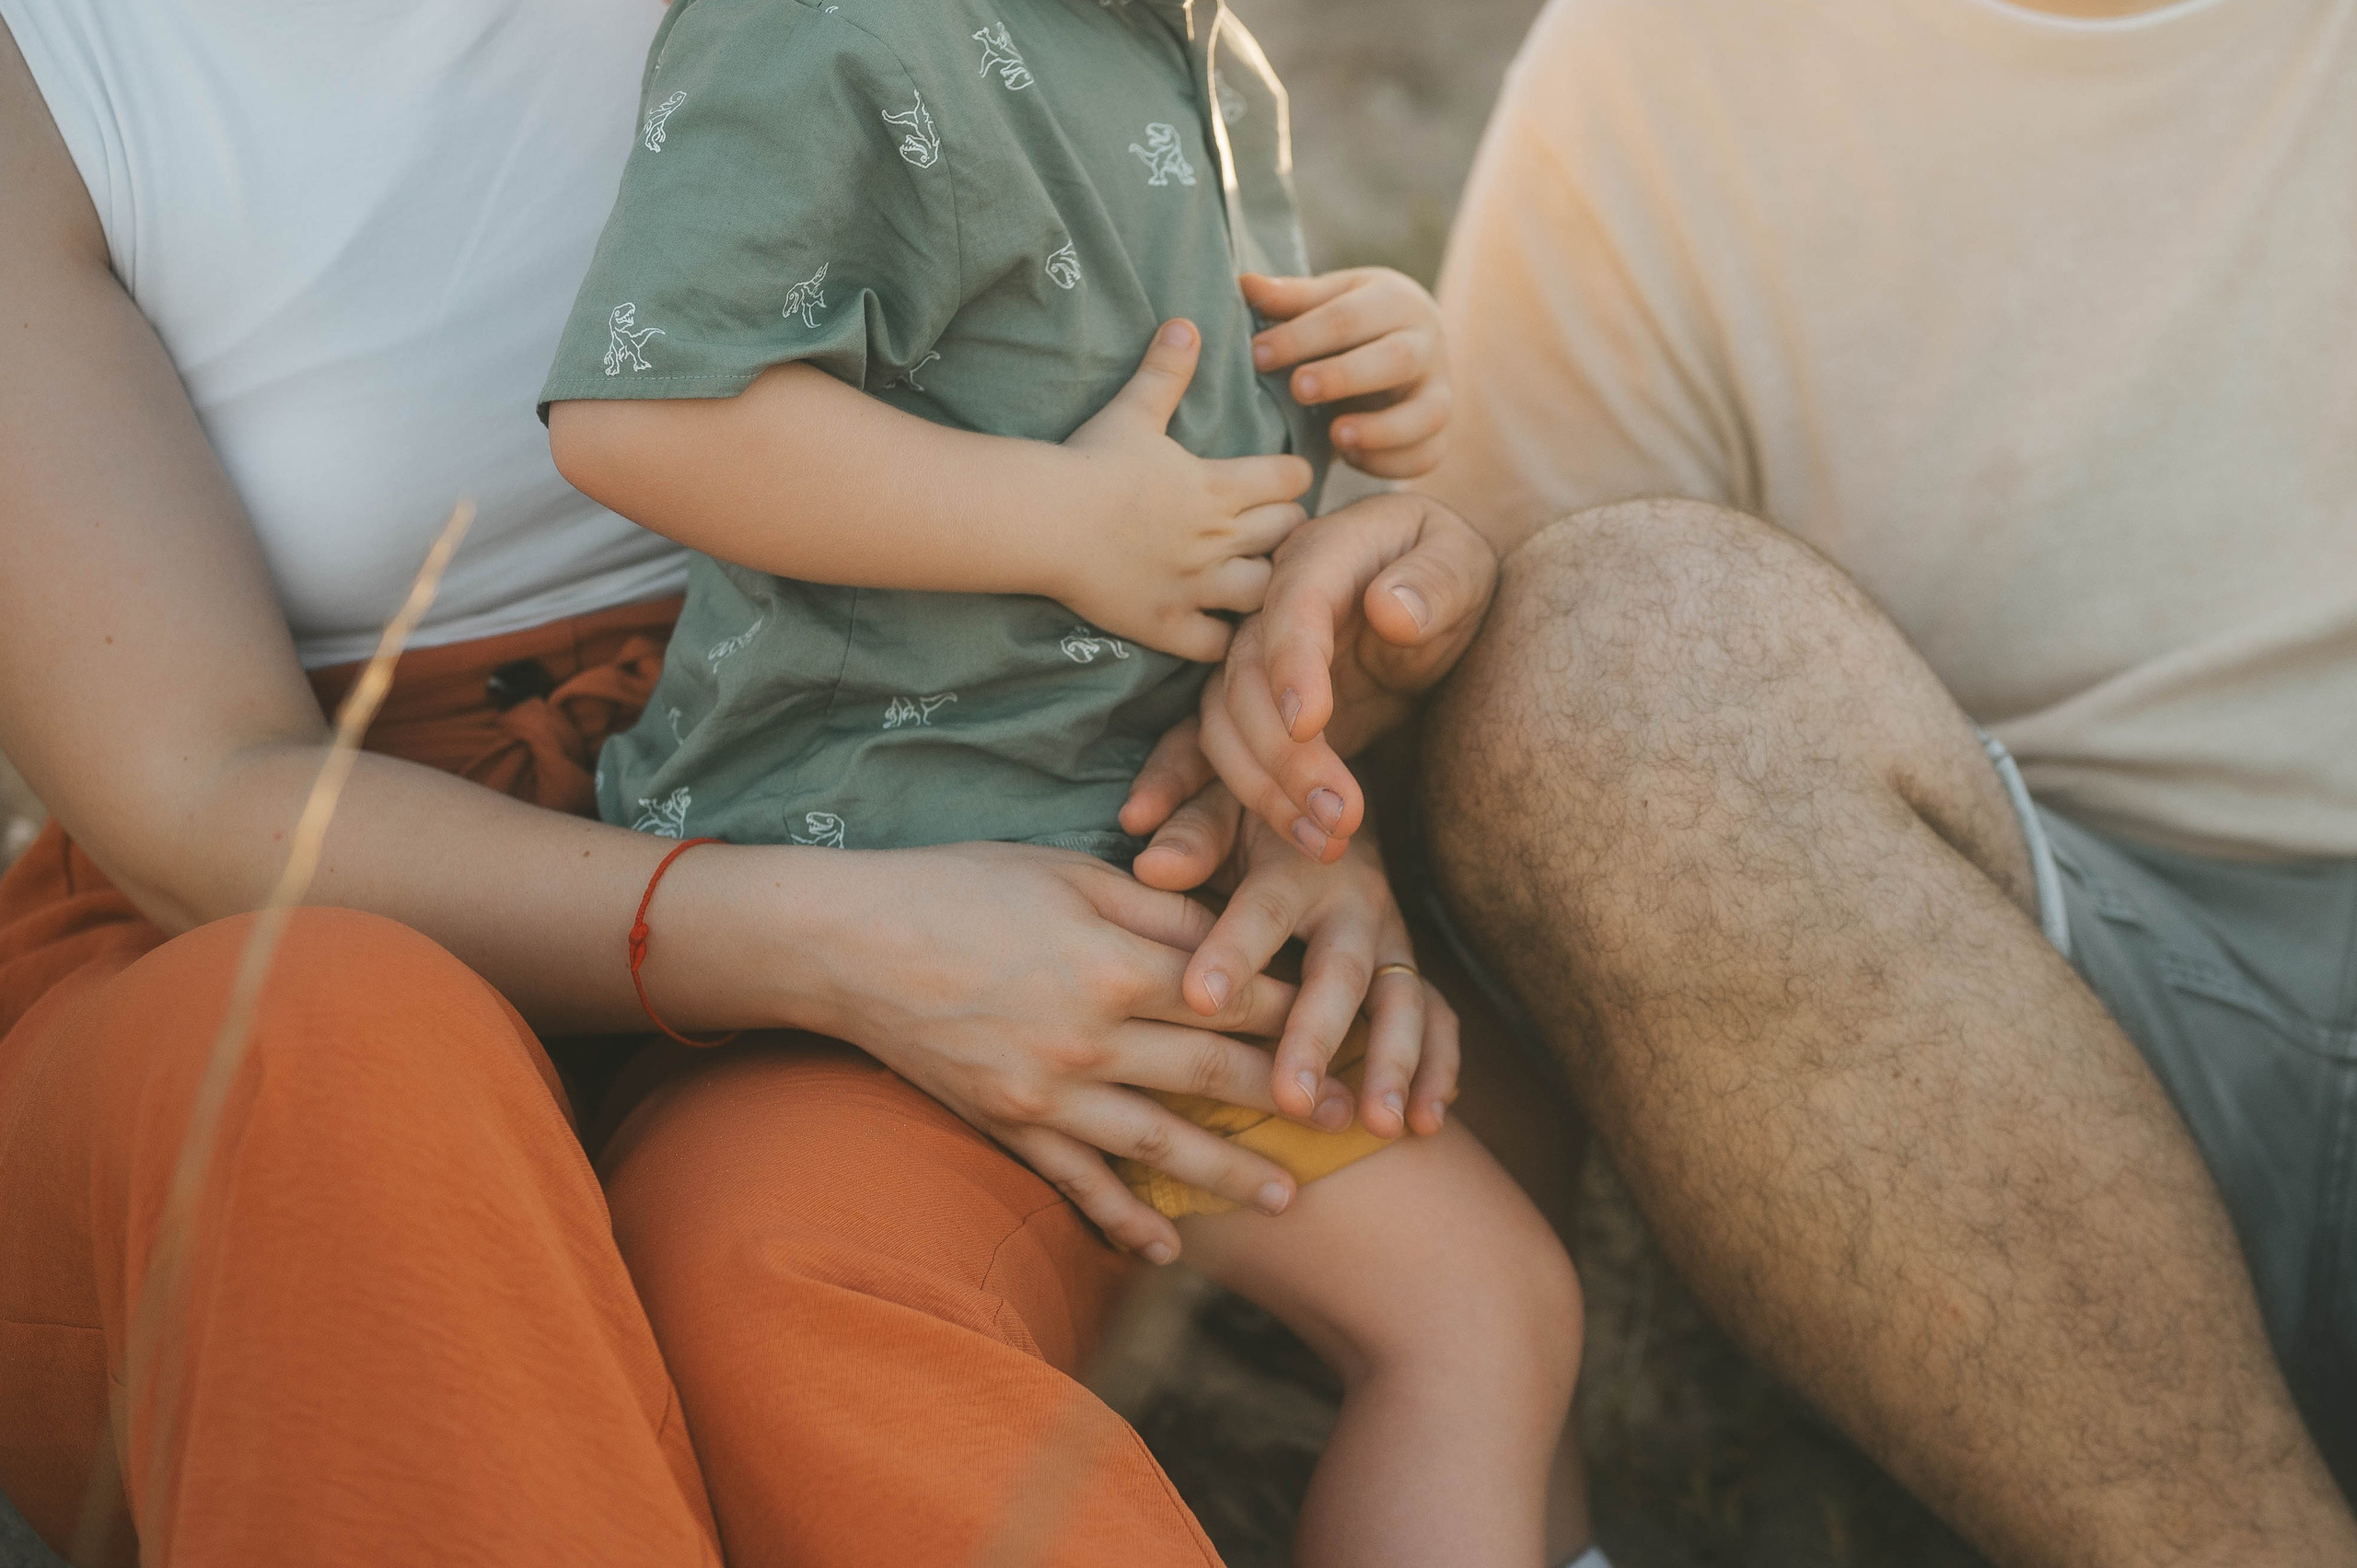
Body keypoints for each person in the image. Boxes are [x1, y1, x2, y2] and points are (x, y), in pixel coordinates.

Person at [0, 1, 1573, 1562]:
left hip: (936, 779)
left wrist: (1290, 731)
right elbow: (198, 807)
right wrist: (835, 937)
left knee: (795, 1284)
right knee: (338, 1049)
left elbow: (1178, 406)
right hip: (316, 898)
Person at [1158, 0, 2357, 1562]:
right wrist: (1374, 673)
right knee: (1611, 645)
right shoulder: (1665, 57)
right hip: (2035, 1050)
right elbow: (1507, 706)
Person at [540, 5, 1585, 1563]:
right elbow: (648, 409)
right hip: (892, 853)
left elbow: (1185, 424)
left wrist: (1364, 362)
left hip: (1127, 852)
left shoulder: (1205, 52)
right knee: (1480, 1314)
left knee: (1490, 1302)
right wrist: (1059, 524)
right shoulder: (828, 30)